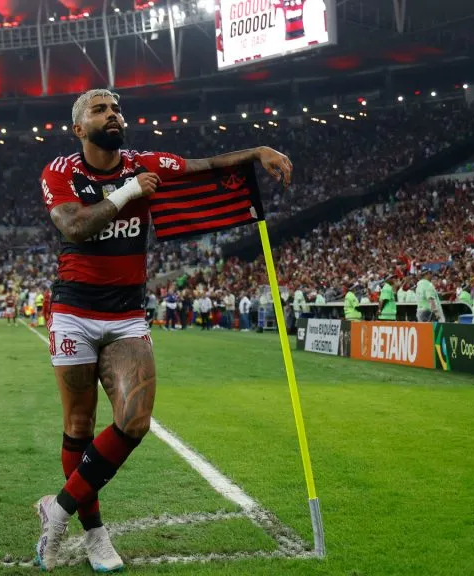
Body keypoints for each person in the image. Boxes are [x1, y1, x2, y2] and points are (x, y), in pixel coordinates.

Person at [34, 88, 293, 572]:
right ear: (78, 128)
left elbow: (207, 166)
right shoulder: (61, 171)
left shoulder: (145, 160)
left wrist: (257, 152)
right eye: (100, 109)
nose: (112, 114)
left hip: (128, 313)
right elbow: (74, 226)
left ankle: (58, 508)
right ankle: (95, 537)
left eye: (115, 108)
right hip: (73, 311)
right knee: (78, 427)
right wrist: (130, 192)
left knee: (134, 422)